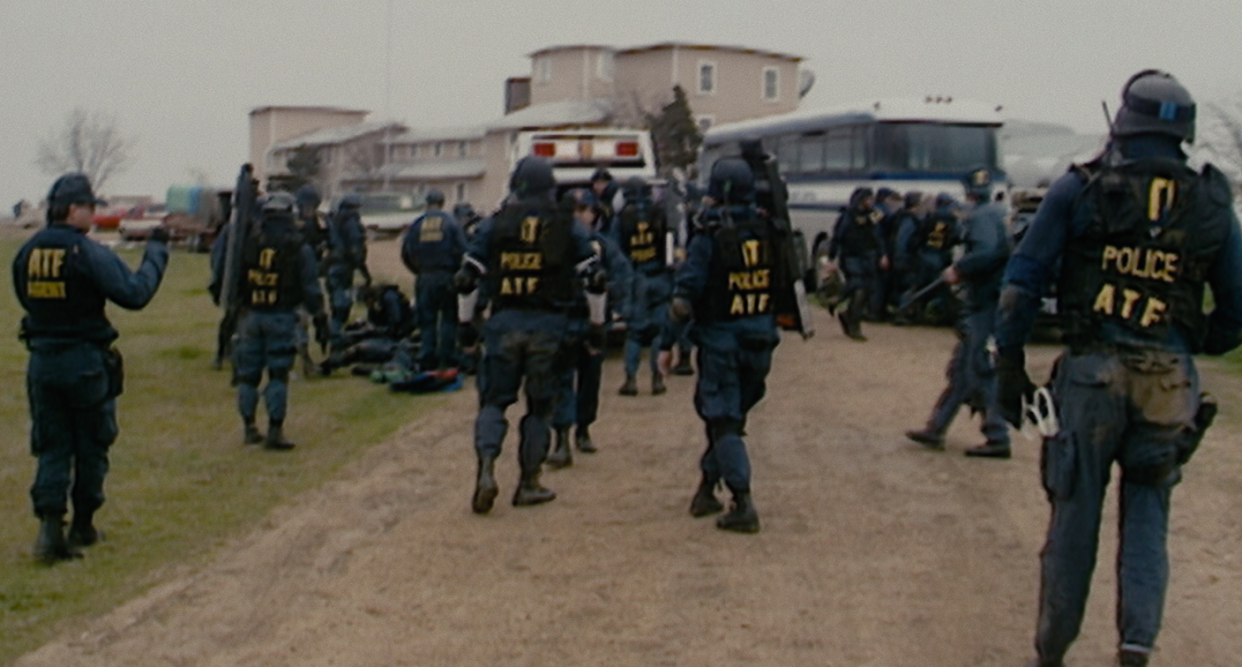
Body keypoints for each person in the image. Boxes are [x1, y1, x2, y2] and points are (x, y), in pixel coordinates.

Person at [993, 71, 1242, 667]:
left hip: (1092, 374)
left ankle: (1051, 653)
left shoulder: (1079, 187)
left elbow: (1022, 284)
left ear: (1123, 121)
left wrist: (1010, 368)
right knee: (1149, 516)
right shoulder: (1212, 199)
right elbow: (1236, 308)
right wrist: (1191, 341)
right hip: (1167, 379)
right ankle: (1135, 651)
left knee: (1075, 520)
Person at [12, 173, 170, 562]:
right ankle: (83, 524)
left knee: (51, 446)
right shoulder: (86, 251)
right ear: (72, 209)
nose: (94, 214)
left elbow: (24, 298)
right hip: (83, 361)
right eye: (90, 207)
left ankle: (50, 530)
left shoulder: (27, 253)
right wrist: (156, 255)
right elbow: (134, 294)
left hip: (42, 362)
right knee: (91, 445)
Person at [455, 156, 600, 514]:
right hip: (549, 328)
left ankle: (486, 471)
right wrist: (597, 327)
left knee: (493, 403)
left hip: (504, 324)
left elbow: (466, 279)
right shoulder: (568, 226)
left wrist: (465, 327)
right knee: (539, 409)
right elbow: (596, 280)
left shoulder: (495, 223)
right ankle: (528, 483)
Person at [658, 157, 790, 534]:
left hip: (722, 343)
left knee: (724, 421)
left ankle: (742, 501)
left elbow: (684, 299)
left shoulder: (709, 236)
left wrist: (667, 343)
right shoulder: (770, 228)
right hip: (761, 340)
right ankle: (706, 490)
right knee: (730, 421)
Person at [905, 168, 1011, 458]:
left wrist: (959, 269)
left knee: (980, 367)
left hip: (984, 302)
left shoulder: (979, 217)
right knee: (963, 370)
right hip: (990, 299)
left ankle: (997, 434)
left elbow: (987, 252)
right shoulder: (997, 212)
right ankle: (936, 428)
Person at [217, 192, 328, 450]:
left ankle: (249, 428)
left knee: (248, 377)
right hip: (281, 315)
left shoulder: (247, 243)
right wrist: (320, 315)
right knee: (278, 375)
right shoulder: (298, 246)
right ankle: (275, 431)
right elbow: (310, 286)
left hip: (250, 317)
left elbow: (232, 276)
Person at [546, 189, 632, 467]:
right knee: (561, 380)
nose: (583, 215)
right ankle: (561, 438)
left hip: (593, 321)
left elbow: (622, 275)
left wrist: (614, 306)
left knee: (590, 379)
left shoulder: (604, 245)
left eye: (587, 210)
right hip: (563, 319)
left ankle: (584, 429)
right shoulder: (554, 244)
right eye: (577, 210)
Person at [614, 176, 672, 396]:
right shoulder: (660, 213)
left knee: (635, 334)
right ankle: (657, 380)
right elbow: (670, 246)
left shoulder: (622, 218)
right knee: (658, 332)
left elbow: (617, 252)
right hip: (659, 277)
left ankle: (631, 380)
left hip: (636, 279)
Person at [402, 189, 467, 370]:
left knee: (427, 319)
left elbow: (406, 253)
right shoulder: (451, 223)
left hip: (424, 276)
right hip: (446, 276)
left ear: (427, 202)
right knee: (448, 317)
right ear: (443, 202)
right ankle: (446, 357)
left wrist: (418, 271)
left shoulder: (417, 224)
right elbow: (463, 250)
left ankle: (427, 357)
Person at [827, 187, 886, 341]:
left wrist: (883, 254)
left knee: (867, 289)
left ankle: (844, 309)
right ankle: (853, 324)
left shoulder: (874, 214)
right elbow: (837, 238)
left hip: (869, 256)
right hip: (851, 257)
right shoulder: (848, 216)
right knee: (859, 288)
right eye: (868, 199)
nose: (871, 202)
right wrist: (831, 259)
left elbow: (879, 235)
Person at [324, 194, 370, 350]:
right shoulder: (351, 223)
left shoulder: (334, 221)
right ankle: (335, 338)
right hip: (344, 268)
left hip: (332, 267)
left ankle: (333, 334)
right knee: (342, 305)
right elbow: (355, 248)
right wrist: (363, 270)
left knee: (336, 304)